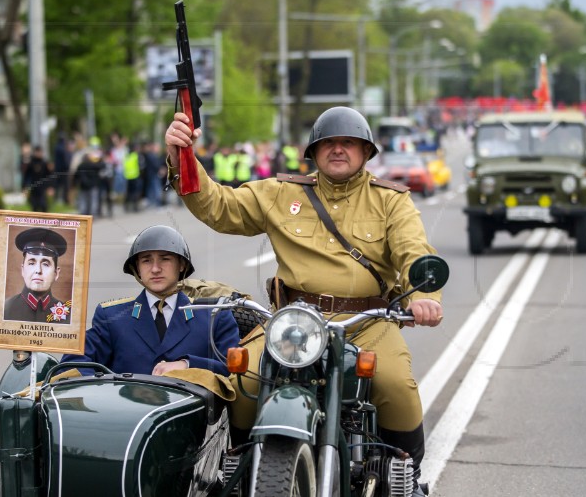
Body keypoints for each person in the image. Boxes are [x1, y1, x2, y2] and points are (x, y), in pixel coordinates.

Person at [165, 106, 443, 496]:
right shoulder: (282, 193)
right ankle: (239, 464)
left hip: (367, 321)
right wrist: (183, 156)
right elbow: (219, 207)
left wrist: (425, 296)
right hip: (293, 321)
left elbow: (413, 251)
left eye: (349, 143)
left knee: (396, 384)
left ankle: (405, 476)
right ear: (314, 152)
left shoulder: (389, 201)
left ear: (365, 152)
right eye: (328, 143)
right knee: (245, 380)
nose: (338, 150)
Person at [61, 225, 240, 376]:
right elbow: (72, 366)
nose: (155, 269)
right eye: (146, 261)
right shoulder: (112, 316)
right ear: (137, 268)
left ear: (182, 265)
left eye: (165, 259)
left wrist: (187, 365)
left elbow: (233, 370)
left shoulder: (214, 315)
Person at [4, 227, 70, 323]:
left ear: (56, 273)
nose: (38, 270)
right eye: (31, 263)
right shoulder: (5, 309)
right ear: (22, 269)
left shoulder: (68, 315)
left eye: (46, 264)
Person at [22, 145, 53, 212]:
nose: (39, 153)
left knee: (44, 206)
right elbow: (26, 176)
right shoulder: (30, 164)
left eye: (40, 152)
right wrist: (24, 187)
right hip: (34, 189)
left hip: (42, 189)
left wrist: (50, 187)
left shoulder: (45, 163)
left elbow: (49, 176)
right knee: (34, 207)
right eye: (37, 152)